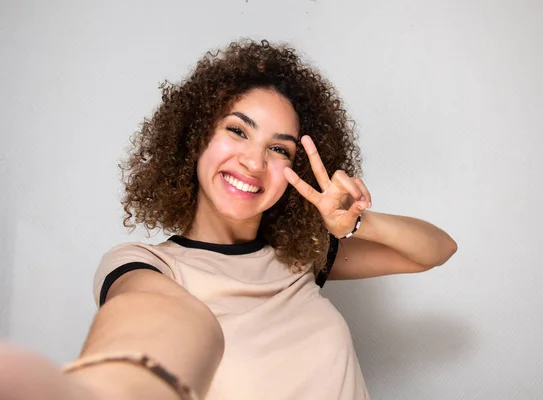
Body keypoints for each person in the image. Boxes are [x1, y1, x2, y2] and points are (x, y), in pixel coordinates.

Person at [0, 39, 457, 400]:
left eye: (279, 149)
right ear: (197, 138)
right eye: (237, 130)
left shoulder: (300, 258)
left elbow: (436, 251)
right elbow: (161, 320)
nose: (254, 162)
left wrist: (354, 223)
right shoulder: (146, 264)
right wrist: (105, 388)